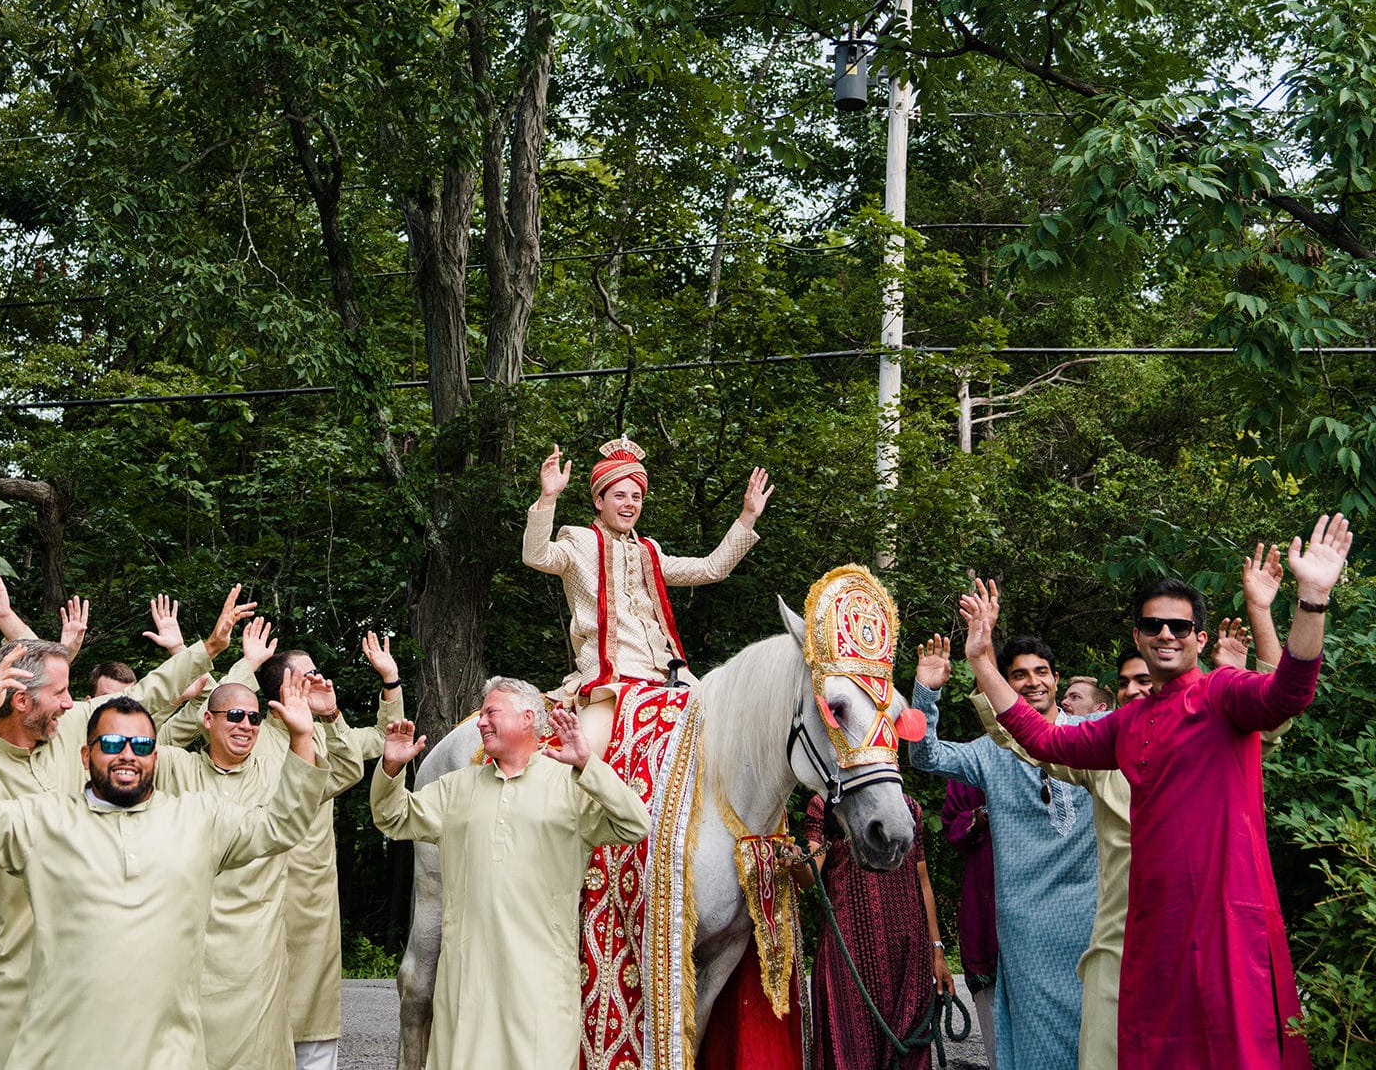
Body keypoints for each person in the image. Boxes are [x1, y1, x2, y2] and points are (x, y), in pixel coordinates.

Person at [963, 514, 1354, 1070]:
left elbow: (1289, 692)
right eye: (1153, 626)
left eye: (1178, 625)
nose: (1165, 634)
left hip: (1222, 923)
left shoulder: (1223, 693)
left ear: (1199, 636)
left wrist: (1312, 599)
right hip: (1152, 934)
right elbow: (1042, 738)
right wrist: (980, 659)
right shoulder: (1126, 724)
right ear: (1138, 638)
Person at [0, 652, 335, 1069]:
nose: (127, 754)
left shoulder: (198, 819)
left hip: (169, 1054)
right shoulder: (43, 821)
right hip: (62, 1051)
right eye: (111, 744)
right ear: (85, 757)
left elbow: (281, 826)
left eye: (141, 745)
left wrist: (302, 738)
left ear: (155, 757)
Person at [0, 572, 248, 1070]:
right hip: (9, 963)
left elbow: (143, 694)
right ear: (20, 704)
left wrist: (210, 647)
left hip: (89, 964)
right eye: (62, 696)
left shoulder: (70, 729)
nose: (72, 703)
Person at [370, 676, 651, 1070]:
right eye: (481, 714)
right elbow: (392, 817)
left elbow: (635, 825)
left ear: (527, 718)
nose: (481, 722)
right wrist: (390, 769)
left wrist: (589, 765)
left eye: (490, 712)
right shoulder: (455, 788)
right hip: (465, 989)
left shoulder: (571, 788)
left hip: (539, 992)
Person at [165, 625, 405, 1070]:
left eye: (251, 718)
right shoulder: (234, 746)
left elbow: (358, 758)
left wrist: (376, 691)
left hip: (304, 899)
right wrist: (239, 661)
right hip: (231, 910)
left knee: (307, 1022)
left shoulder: (309, 741)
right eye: (307, 675)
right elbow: (217, 704)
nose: (320, 680)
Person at [909, 632, 1097, 1070]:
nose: (1032, 682)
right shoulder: (989, 754)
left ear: (1056, 679)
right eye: (1019, 675)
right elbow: (924, 755)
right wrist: (926, 692)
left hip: (1093, 917)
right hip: (1026, 927)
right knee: (1036, 1036)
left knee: (1103, 1030)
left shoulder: (1091, 737)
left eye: (1041, 672)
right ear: (1005, 685)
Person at [524, 436, 770, 764]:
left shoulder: (649, 552)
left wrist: (748, 517)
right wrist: (548, 497)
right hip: (609, 680)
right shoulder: (579, 541)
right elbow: (536, 555)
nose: (630, 504)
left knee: (727, 745)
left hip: (671, 676)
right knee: (583, 757)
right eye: (620, 495)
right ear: (599, 500)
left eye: (636, 496)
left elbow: (713, 568)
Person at [803, 788, 955, 1070]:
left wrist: (936, 951)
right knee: (850, 1056)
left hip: (908, 957)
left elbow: (922, 880)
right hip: (848, 959)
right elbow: (808, 875)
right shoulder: (825, 805)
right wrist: (795, 861)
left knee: (909, 1056)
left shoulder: (910, 808)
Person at [940, 777, 998, 1067]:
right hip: (987, 904)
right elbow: (952, 825)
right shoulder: (975, 763)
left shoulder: (1053, 747)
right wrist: (980, 818)